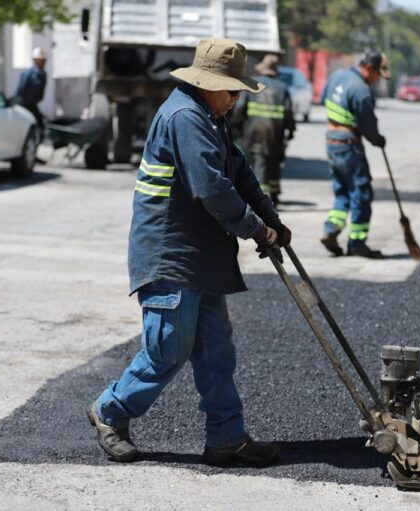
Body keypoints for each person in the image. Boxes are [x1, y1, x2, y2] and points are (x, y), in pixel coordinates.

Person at [87, 38, 291, 467]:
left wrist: (271, 218)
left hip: (203, 255)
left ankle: (226, 437)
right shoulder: (185, 116)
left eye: (238, 91)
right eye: (231, 90)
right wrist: (256, 230)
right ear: (206, 83)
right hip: (170, 254)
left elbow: (239, 172)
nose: (236, 98)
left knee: (217, 352)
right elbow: (212, 188)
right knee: (168, 350)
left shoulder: (210, 115)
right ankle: (110, 411)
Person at [320, 52, 390, 259]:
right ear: (369, 68)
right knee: (361, 193)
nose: (377, 80)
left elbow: (324, 98)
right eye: (378, 74)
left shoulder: (337, 76)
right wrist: (378, 139)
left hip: (331, 142)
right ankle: (358, 243)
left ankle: (331, 229)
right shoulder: (361, 90)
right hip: (350, 145)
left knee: (342, 191)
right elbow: (368, 126)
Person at [231, 54, 295, 205]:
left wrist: (235, 125)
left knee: (258, 162)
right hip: (275, 133)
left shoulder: (253, 84)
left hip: (253, 132)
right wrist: (291, 131)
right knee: (272, 162)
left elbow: (240, 108)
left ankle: (262, 197)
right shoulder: (282, 87)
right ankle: (273, 193)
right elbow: (288, 112)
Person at [14, 47, 48, 134]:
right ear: (35, 60)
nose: (43, 62)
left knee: (40, 124)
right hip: (25, 104)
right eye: (41, 60)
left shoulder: (43, 74)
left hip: (33, 104)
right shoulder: (28, 73)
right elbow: (21, 89)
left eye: (44, 60)